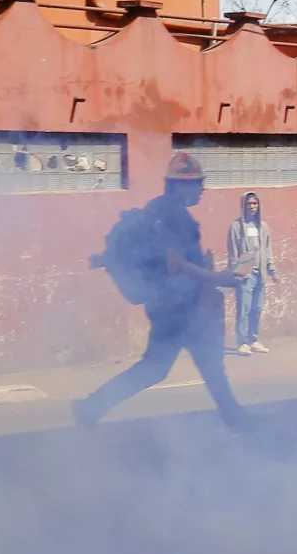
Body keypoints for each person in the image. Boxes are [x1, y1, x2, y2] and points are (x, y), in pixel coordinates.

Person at [74, 153, 249, 429]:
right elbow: (176, 264)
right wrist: (219, 277)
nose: (202, 189)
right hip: (178, 309)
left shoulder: (155, 208)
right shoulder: (177, 216)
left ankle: (235, 418)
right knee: (159, 367)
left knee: (204, 364)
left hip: (170, 305)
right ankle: (91, 406)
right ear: (180, 185)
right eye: (197, 183)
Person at [227, 191, 280, 356]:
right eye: (249, 204)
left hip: (260, 275)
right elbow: (232, 253)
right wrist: (235, 274)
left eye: (255, 204)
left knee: (257, 308)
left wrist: (272, 271)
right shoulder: (236, 227)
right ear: (243, 206)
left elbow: (267, 251)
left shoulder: (263, 227)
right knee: (244, 309)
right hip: (245, 276)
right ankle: (241, 343)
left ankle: (253, 340)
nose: (252, 207)